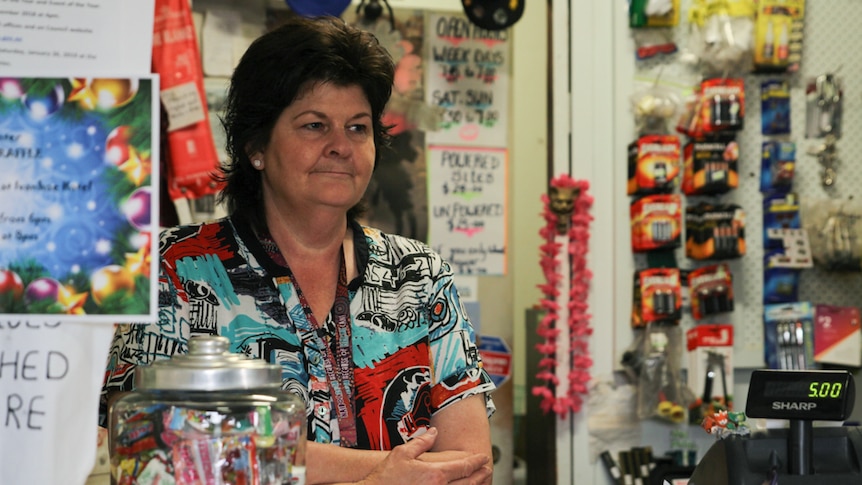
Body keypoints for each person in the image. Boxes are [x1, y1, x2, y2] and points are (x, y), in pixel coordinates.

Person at [100, 14, 496, 485]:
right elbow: (143, 449)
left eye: (357, 128)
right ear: (256, 146)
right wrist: (385, 474)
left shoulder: (419, 274)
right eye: (314, 125)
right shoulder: (176, 268)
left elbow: (472, 465)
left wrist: (260, 453)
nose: (340, 147)